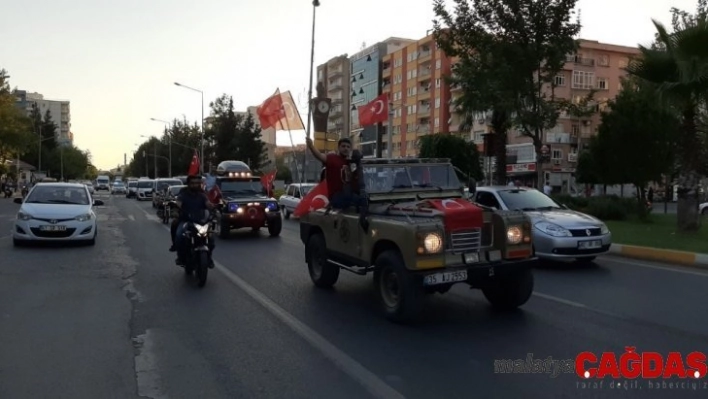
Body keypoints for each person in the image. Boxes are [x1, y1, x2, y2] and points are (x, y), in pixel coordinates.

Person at [306, 136, 369, 231]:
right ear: (338, 148)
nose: (346, 148)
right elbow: (320, 156)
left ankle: (362, 221)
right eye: (343, 146)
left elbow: (358, 179)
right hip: (336, 197)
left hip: (348, 197)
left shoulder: (350, 162)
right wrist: (311, 146)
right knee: (347, 189)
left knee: (365, 199)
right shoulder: (332, 158)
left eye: (348, 147)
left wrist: (358, 162)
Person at [173, 175, 215, 268]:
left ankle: (209, 258)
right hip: (186, 221)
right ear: (188, 184)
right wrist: (176, 211)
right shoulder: (183, 195)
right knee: (179, 235)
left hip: (201, 221)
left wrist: (213, 207)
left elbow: (208, 204)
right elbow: (178, 203)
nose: (195, 185)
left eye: (197, 183)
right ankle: (180, 257)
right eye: (193, 183)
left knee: (211, 238)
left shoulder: (202, 195)